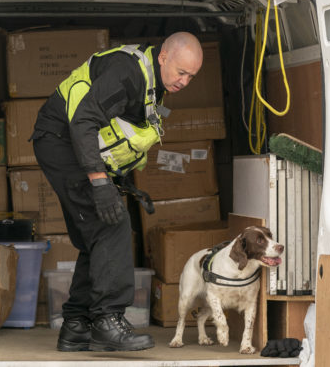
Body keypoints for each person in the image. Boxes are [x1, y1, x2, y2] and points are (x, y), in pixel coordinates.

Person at [31, 31, 203, 352]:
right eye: (181, 72)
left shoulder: (154, 84)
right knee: (112, 224)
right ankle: (108, 320)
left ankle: (76, 326)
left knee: (96, 235)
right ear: (163, 56)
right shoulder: (127, 73)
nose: (185, 82)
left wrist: (109, 179)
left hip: (71, 145)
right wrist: (99, 182)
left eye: (191, 76)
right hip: (61, 139)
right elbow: (82, 121)